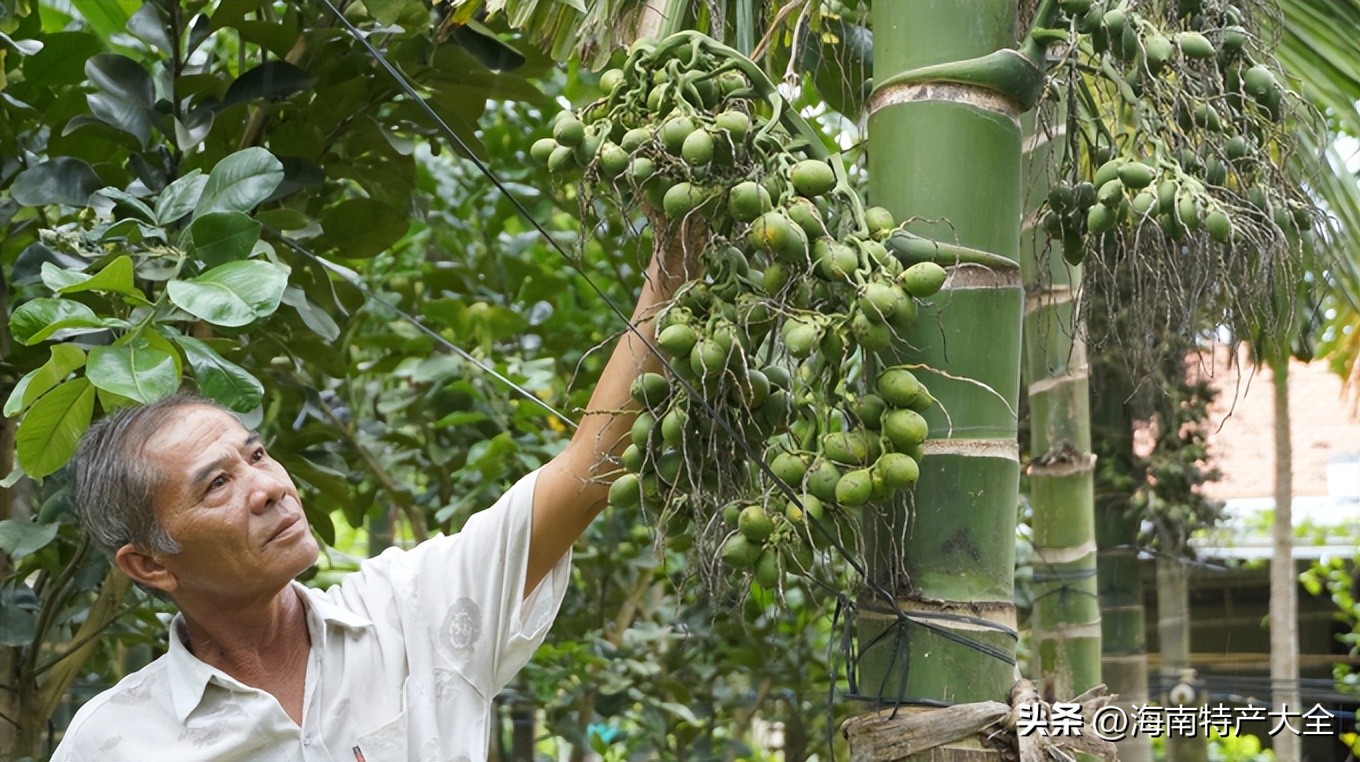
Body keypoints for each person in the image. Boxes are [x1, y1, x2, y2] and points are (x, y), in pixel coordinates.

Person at [50, 227, 699, 761]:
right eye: (218, 484)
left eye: (256, 455)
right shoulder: (114, 742)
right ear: (149, 563)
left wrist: (675, 258)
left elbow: (589, 471)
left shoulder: (409, 613)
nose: (271, 488)